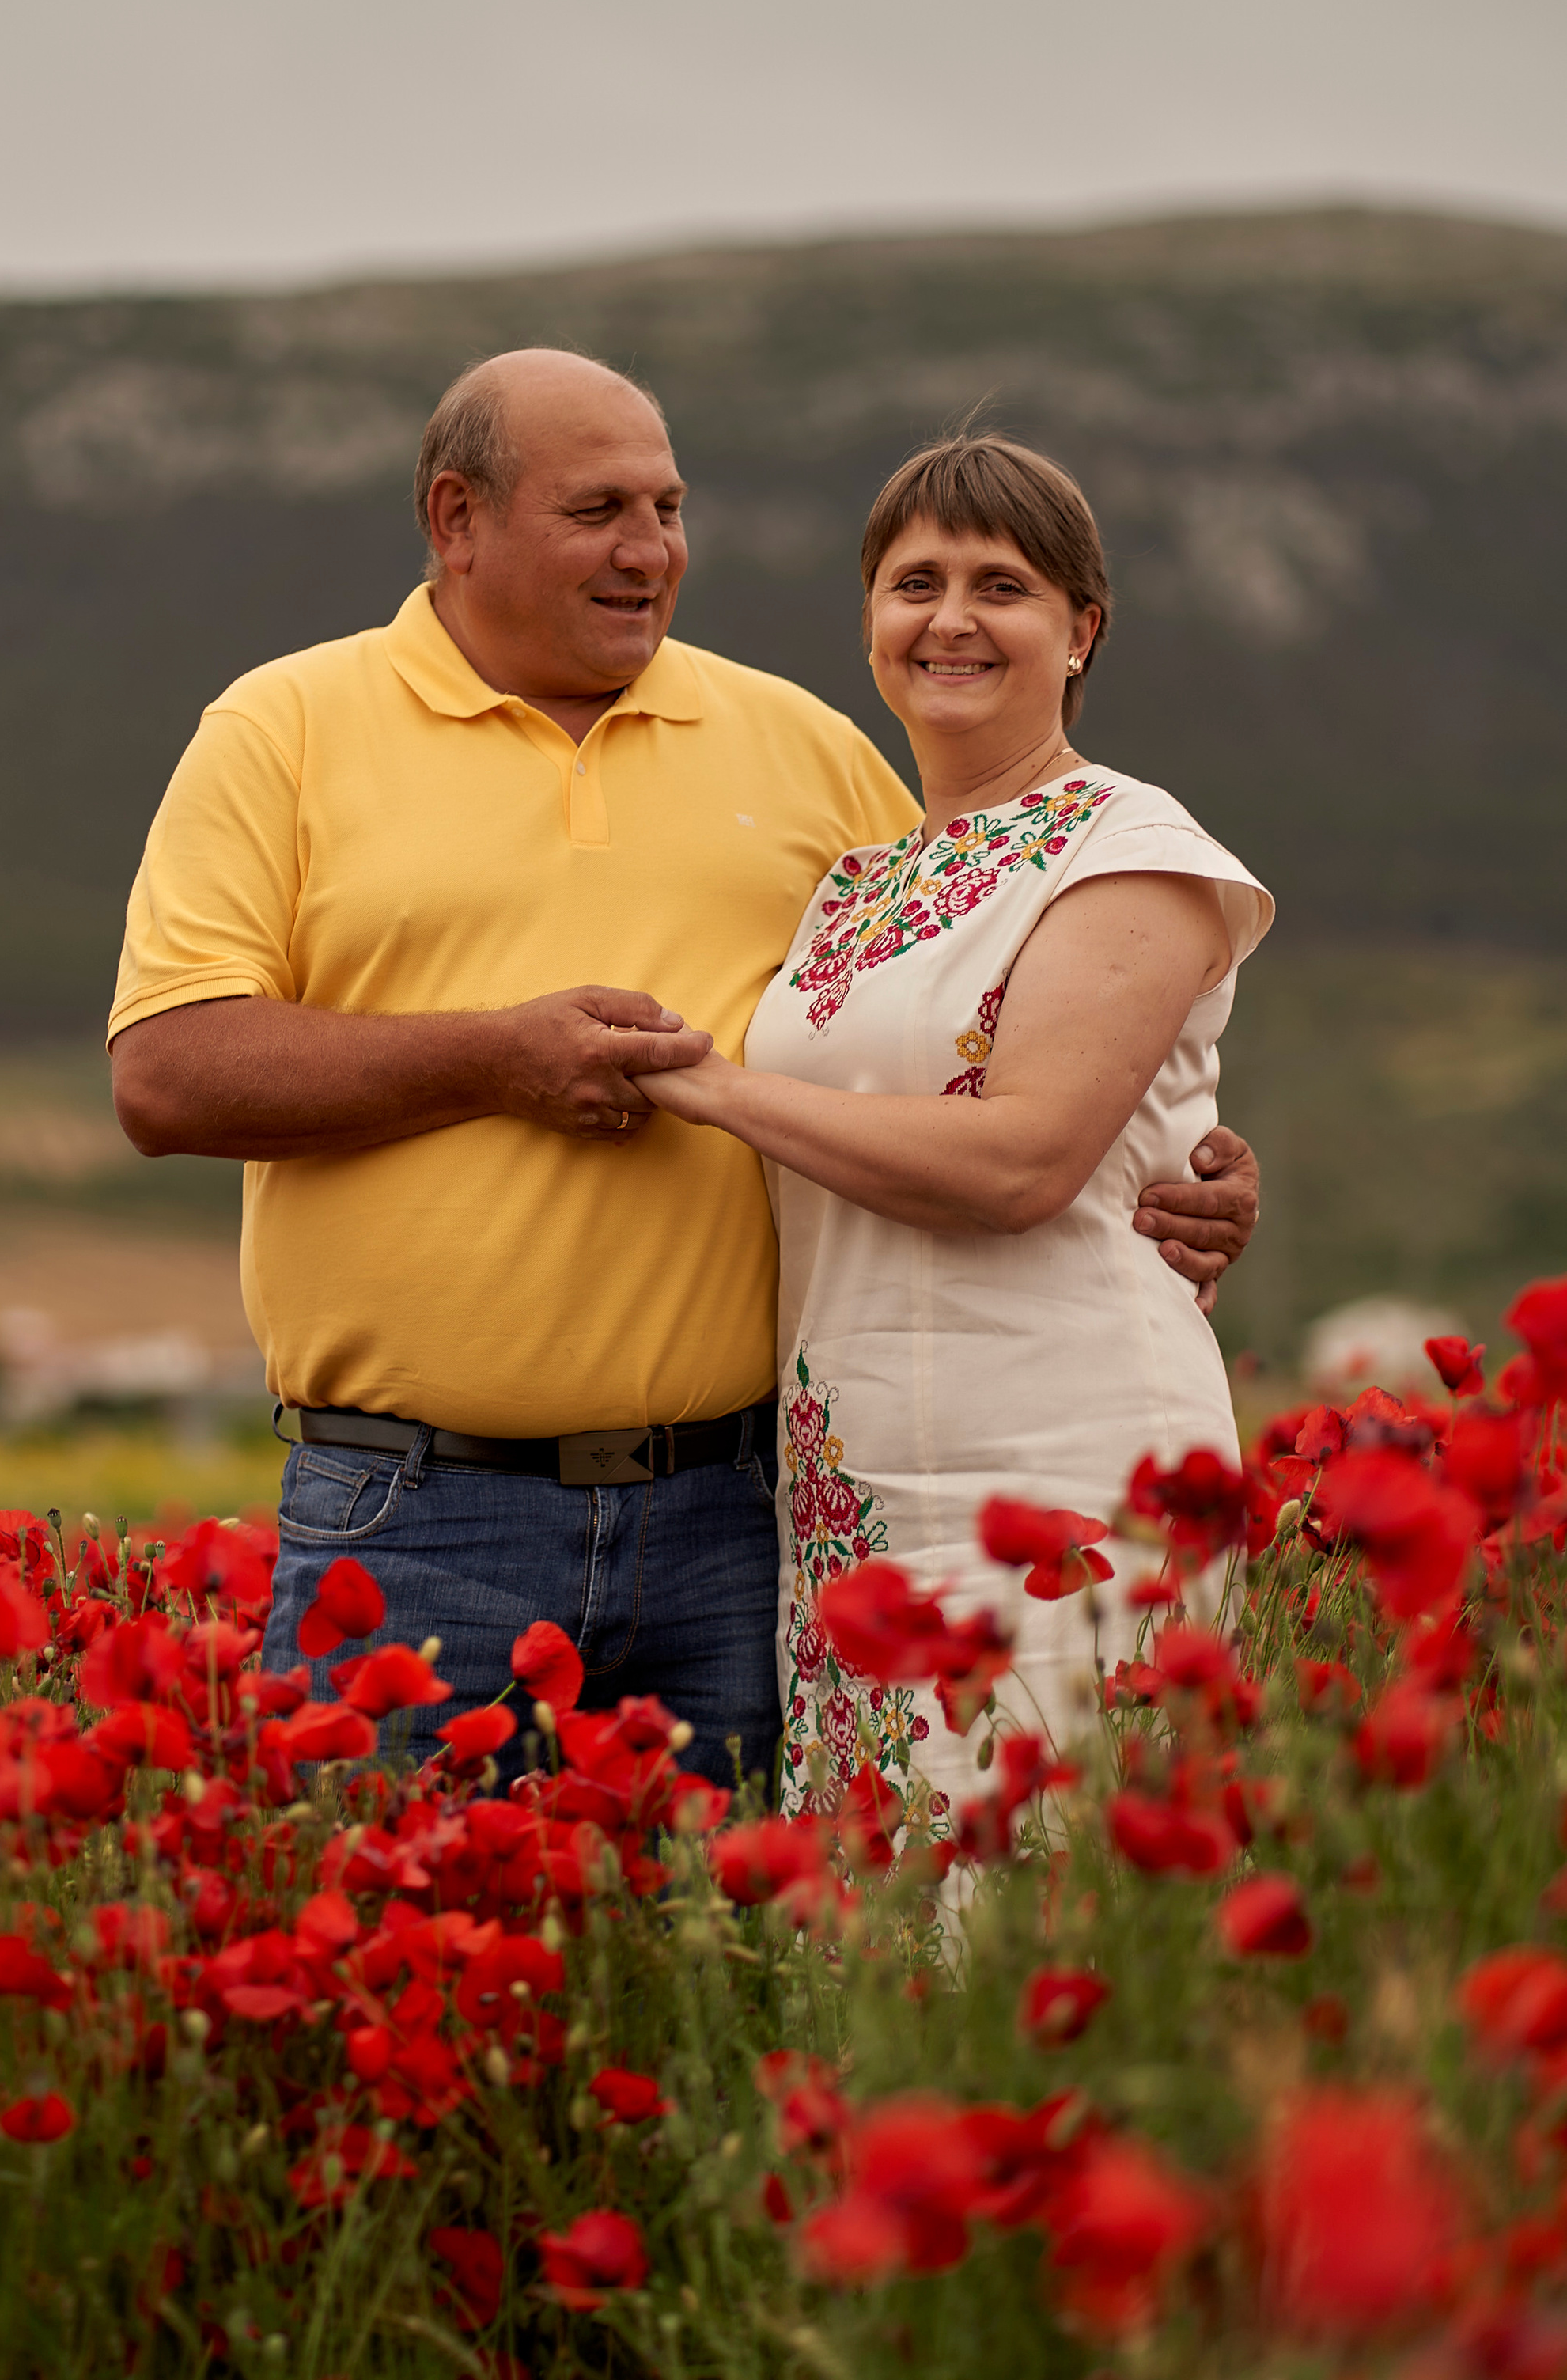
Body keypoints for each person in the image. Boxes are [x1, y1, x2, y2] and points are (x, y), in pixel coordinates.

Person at [107, 354, 1259, 1787]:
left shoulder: (806, 748)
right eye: (598, 509)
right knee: (403, 1974)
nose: (651, 550)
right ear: (455, 517)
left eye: (668, 505)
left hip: (739, 1516)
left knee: (740, 1982)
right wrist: (499, 1060)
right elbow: (166, 1076)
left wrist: (1178, 1153)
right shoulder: (281, 731)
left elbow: (994, 1007)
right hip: (418, 1519)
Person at [633, 430, 1272, 1813]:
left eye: (1004, 585)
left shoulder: (1133, 847)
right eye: (915, 582)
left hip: (1073, 1465)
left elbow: (1028, 1160)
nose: (953, 619)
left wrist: (713, 1088)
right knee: (883, 1955)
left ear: (1082, 629)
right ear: (871, 622)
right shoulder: (854, 884)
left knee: (1050, 1921)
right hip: (857, 1488)